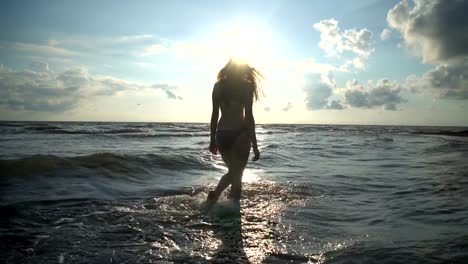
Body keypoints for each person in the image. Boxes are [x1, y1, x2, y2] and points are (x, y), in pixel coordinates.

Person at [207, 59, 262, 205]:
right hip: (240, 134)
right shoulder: (246, 87)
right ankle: (230, 210)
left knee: (234, 172)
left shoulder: (218, 87)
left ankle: (220, 200)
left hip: (221, 134)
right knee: (237, 174)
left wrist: (212, 139)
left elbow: (214, 115)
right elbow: (249, 117)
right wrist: (255, 145)